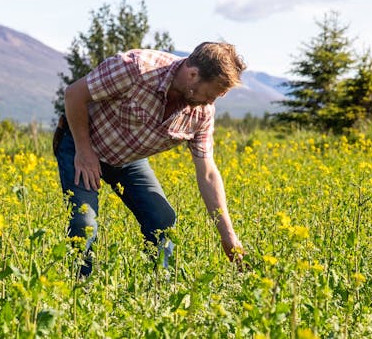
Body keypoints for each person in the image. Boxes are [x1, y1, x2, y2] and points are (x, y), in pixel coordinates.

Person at [53, 42, 246, 277]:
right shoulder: (135, 69)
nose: (210, 103)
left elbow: (207, 172)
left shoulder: (202, 113)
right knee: (84, 224)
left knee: (163, 220)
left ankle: (157, 290)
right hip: (80, 144)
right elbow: (74, 94)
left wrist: (229, 237)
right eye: (209, 95)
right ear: (193, 75)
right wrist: (84, 151)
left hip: (127, 159)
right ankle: (78, 290)